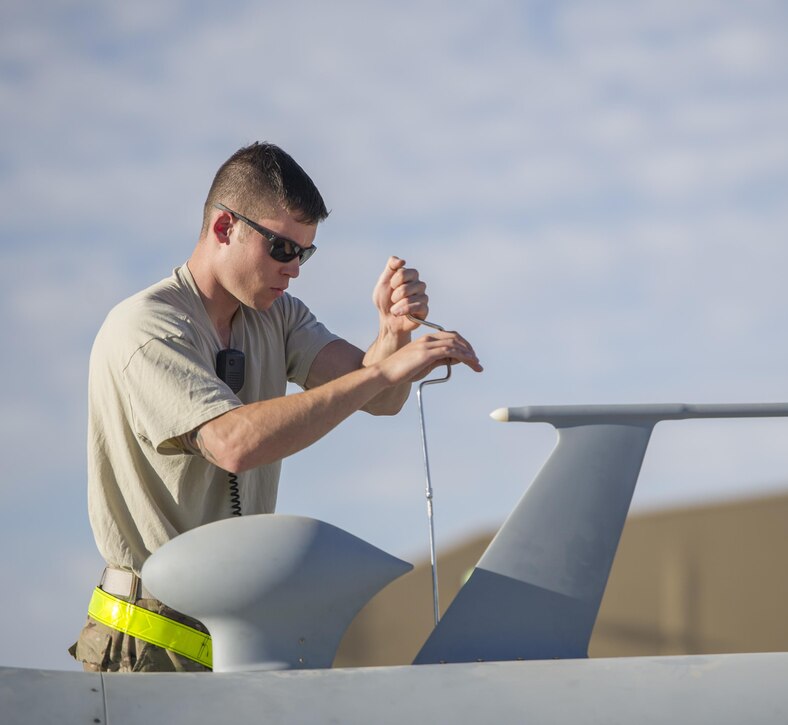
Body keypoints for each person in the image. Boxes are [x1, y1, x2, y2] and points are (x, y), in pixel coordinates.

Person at [69, 142, 482, 672]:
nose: (294, 269)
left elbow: (381, 398)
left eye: (305, 253)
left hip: (243, 631)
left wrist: (391, 334)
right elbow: (233, 444)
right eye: (283, 248)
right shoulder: (146, 328)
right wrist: (383, 368)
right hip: (149, 639)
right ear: (224, 228)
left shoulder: (278, 316)